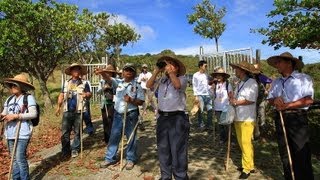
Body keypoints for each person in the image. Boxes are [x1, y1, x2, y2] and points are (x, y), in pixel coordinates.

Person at [266, 52, 314, 180]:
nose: (276, 65)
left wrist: (287, 106)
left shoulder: (303, 79)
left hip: (297, 118)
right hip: (281, 117)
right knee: (285, 152)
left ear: (289, 63)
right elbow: (270, 99)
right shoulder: (276, 81)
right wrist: (275, 100)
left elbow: (308, 100)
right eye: (276, 62)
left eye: (279, 62)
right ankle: (289, 176)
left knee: (301, 152)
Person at [146, 55, 189, 180]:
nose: (167, 66)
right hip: (162, 118)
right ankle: (165, 176)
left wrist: (170, 73)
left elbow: (177, 86)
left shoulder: (182, 78)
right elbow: (149, 85)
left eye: (171, 64)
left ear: (176, 68)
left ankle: (180, 176)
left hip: (177, 118)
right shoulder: (162, 80)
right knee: (163, 149)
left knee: (178, 150)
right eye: (166, 64)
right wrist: (156, 71)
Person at [99, 63, 144, 170]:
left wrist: (132, 100)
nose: (128, 72)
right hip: (118, 114)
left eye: (131, 70)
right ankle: (110, 158)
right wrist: (102, 73)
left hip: (131, 114)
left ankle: (130, 159)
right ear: (123, 72)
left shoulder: (137, 85)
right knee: (114, 136)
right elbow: (108, 78)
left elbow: (141, 101)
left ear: (134, 73)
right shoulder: (118, 82)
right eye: (126, 70)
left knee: (131, 137)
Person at [1, 73, 38, 180]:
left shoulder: (28, 98)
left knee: (20, 158)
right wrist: (2, 116)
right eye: (12, 85)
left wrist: (16, 116)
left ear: (22, 86)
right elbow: (5, 113)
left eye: (15, 85)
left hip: (22, 132)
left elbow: (33, 114)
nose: (13, 87)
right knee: (14, 159)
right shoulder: (9, 99)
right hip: (10, 133)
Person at [55, 63, 92, 158]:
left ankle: (75, 148)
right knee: (65, 132)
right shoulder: (66, 83)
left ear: (80, 72)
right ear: (71, 72)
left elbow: (89, 94)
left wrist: (86, 95)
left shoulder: (84, 83)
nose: (76, 71)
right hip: (67, 110)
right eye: (74, 69)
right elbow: (62, 94)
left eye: (78, 70)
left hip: (79, 111)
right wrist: (58, 107)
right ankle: (65, 150)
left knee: (77, 131)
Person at [229, 61, 258, 179]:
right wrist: (232, 98)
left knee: (245, 143)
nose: (235, 71)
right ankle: (250, 165)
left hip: (247, 117)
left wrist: (236, 102)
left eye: (236, 69)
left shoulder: (252, 83)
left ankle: (246, 169)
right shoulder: (240, 83)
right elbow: (237, 99)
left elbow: (250, 99)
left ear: (243, 70)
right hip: (238, 117)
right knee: (242, 143)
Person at [210, 67, 233, 144]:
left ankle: (228, 138)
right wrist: (212, 90)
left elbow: (230, 95)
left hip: (225, 107)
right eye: (217, 75)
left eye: (220, 75)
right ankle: (222, 138)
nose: (218, 77)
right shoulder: (215, 85)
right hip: (217, 107)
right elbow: (212, 96)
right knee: (220, 124)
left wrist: (231, 103)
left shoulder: (227, 84)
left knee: (226, 123)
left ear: (223, 76)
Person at [96, 64, 118, 144]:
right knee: (105, 121)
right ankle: (107, 138)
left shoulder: (115, 80)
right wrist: (103, 88)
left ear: (112, 73)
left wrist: (109, 87)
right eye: (106, 72)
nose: (108, 74)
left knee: (111, 120)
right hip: (104, 103)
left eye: (109, 73)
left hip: (113, 103)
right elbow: (98, 92)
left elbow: (116, 87)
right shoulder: (102, 81)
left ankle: (113, 138)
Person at [252, 64, 272, 141]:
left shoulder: (262, 77)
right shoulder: (251, 77)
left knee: (262, 117)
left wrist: (267, 90)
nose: (255, 72)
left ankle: (263, 136)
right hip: (253, 100)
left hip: (261, 100)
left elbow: (270, 82)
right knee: (254, 117)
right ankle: (256, 135)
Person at [192, 60, 213, 131]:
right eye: (205, 66)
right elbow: (194, 86)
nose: (206, 67)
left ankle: (209, 125)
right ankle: (201, 125)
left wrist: (211, 87)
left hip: (208, 95)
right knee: (201, 111)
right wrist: (196, 96)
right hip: (200, 95)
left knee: (210, 110)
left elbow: (207, 85)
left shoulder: (206, 75)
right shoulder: (195, 75)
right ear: (201, 66)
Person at [137, 63, 157, 129]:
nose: (144, 68)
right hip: (143, 88)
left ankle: (155, 109)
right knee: (143, 100)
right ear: (142, 68)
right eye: (143, 67)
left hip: (149, 88)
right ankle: (144, 110)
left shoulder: (149, 74)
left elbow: (153, 80)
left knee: (151, 99)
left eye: (145, 67)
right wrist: (142, 80)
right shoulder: (140, 74)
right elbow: (138, 81)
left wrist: (151, 84)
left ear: (147, 68)